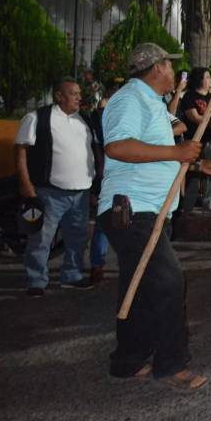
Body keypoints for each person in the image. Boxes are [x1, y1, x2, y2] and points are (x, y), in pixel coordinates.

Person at [97, 42, 211, 389]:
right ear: (157, 68)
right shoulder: (129, 99)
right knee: (169, 281)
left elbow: (159, 154)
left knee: (140, 287)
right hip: (131, 209)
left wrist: (198, 166)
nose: (175, 72)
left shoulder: (154, 104)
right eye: (170, 66)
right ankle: (170, 365)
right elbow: (117, 146)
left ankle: (127, 362)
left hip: (149, 210)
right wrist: (176, 152)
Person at [15, 78, 98, 296]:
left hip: (81, 192)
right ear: (59, 96)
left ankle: (72, 276)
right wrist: (26, 184)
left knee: (78, 238)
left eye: (79, 94)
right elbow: (21, 151)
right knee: (41, 239)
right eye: (74, 94)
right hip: (49, 192)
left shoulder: (84, 119)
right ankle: (36, 281)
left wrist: (95, 186)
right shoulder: (37, 118)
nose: (79, 98)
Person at [89, 79, 124, 286]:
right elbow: (100, 146)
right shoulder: (101, 115)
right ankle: (97, 265)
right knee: (104, 221)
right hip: (107, 175)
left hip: (123, 175)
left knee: (125, 222)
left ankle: (119, 265)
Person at [179, 68, 211, 215]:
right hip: (195, 139)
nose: (210, 79)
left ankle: (208, 202)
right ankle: (188, 206)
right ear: (199, 79)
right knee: (195, 172)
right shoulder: (190, 96)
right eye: (207, 77)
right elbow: (193, 116)